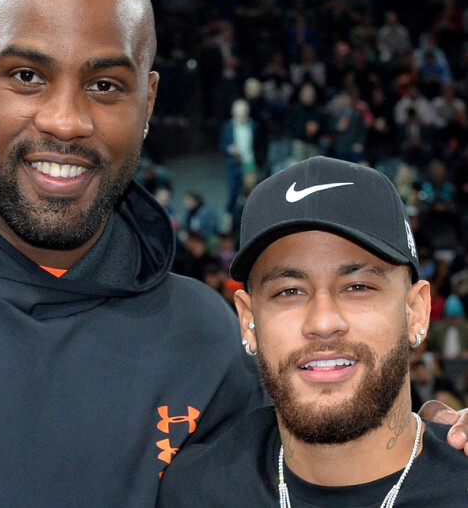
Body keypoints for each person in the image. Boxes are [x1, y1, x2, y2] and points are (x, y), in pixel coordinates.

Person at [0, 0, 265, 507]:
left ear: (149, 103)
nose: (65, 120)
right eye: (27, 75)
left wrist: (427, 452)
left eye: (105, 85)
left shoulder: (207, 343)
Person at [157, 157, 468, 506]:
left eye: (358, 287)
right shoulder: (195, 491)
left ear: (418, 312)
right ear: (248, 320)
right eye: (289, 291)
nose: (322, 322)